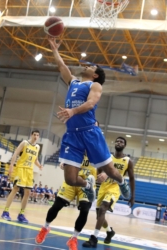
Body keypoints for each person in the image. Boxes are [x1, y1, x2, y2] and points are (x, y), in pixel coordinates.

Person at [47, 36, 130, 203]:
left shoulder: (95, 86)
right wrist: (55, 50)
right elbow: (62, 67)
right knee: (70, 179)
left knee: (111, 171)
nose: (87, 65)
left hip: (90, 132)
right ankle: (87, 184)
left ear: (95, 75)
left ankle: (122, 182)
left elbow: (91, 103)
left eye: (91, 66)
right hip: (72, 135)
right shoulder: (73, 83)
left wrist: (73, 111)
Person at [35, 154, 97, 250]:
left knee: (85, 210)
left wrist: (104, 174)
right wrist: (63, 163)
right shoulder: (76, 147)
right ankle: (45, 227)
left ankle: (74, 238)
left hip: (87, 184)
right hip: (72, 181)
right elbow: (64, 161)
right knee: (57, 206)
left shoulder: (96, 149)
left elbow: (105, 165)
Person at [83, 136, 135, 247]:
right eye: (117, 141)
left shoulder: (128, 161)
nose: (119, 143)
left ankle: (94, 238)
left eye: (121, 142)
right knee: (99, 216)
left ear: (124, 145)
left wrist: (133, 196)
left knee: (103, 209)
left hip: (115, 189)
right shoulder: (108, 157)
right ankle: (109, 232)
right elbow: (100, 170)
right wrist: (99, 176)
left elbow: (131, 178)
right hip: (103, 188)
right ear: (115, 144)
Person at [1, 130, 43, 223]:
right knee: (15, 189)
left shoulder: (37, 147)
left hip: (29, 171)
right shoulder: (25, 143)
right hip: (21, 168)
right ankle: (5, 212)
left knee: (27, 193)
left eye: (37, 135)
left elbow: (35, 159)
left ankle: (21, 214)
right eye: (34, 135)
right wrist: (11, 166)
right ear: (31, 135)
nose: (36, 136)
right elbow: (16, 153)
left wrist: (39, 165)